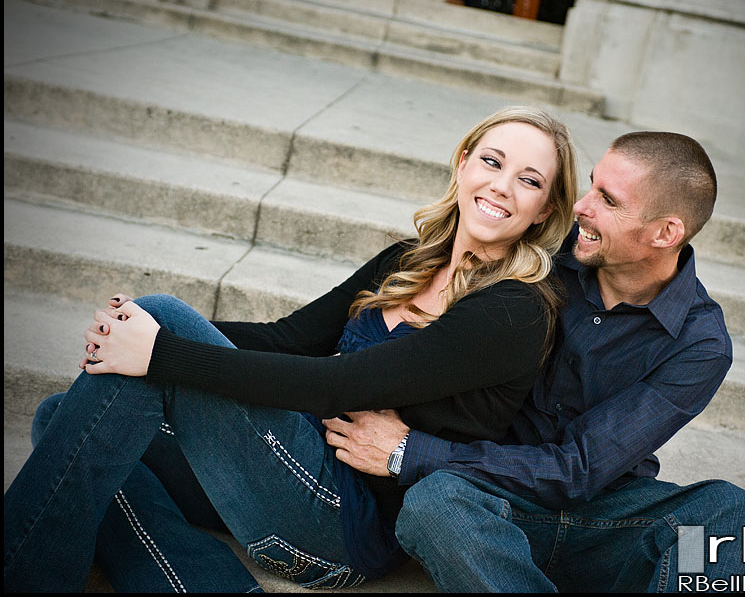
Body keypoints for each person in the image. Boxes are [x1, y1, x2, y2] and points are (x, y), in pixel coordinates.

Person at [3, 106, 579, 592]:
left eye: (529, 181)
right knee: (63, 416)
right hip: (286, 468)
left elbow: (337, 384)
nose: (502, 186)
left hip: (342, 523)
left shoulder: (515, 309)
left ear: (547, 210)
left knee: (158, 332)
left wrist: (162, 349)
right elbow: (289, 339)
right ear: (463, 163)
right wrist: (141, 331)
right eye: (492, 161)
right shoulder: (411, 259)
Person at [322, 132, 745, 592]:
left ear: (666, 233)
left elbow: (581, 469)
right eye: (593, 184)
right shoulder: (548, 253)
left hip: (605, 519)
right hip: (489, 497)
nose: (581, 206)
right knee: (435, 501)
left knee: (733, 516)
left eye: (608, 200)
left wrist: (408, 451)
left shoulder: (700, 343)